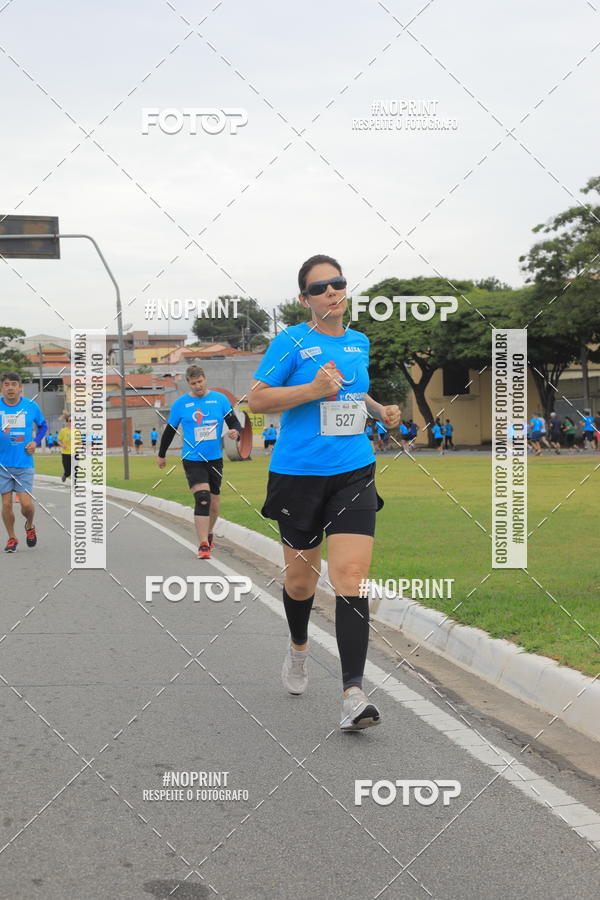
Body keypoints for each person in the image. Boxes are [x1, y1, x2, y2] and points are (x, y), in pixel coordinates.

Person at [248, 254, 401, 732]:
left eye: (338, 283)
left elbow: (350, 393)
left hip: (353, 469)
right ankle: (298, 649)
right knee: (300, 584)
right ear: (305, 299)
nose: (332, 292)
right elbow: (257, 399)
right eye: (320, 288)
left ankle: (353, 694)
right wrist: (312, 389)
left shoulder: (359, 341)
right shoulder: (292, 340)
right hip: (298, 474)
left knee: (351, 577)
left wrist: (379, 410)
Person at [157, 365, 241, 559]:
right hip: (192, 459)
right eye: (193, 383)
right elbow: (170, 431)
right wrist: (162, 454)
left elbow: (234, 423)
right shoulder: (180, 404)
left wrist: (235, 432)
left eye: (200, 381)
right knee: (203, 497)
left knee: (214, 505)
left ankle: (208, 533)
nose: (197, 386)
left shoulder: (220, 400)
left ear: (205, 379)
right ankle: (203, 544)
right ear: (189, 383)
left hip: (214, 459)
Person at [0, 372, 47, 552]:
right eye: (6, 384)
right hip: (2, 465)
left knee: (26, 505)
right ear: (2, 388)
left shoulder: (31, 406)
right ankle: (12, 538)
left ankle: (29, 525)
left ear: (20, 388)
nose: (10, 387)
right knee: (6, 504)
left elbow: (43, 426)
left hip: (24, 464)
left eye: (14, 384)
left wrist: (35, 442)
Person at [57, 413, 73, 482]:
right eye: (70, 421)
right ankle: (65, 475)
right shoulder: (63, 431)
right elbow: (58, 440)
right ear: (67, 422)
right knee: (68, 470)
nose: (71, 423)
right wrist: (62, 445)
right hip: (65, 453)